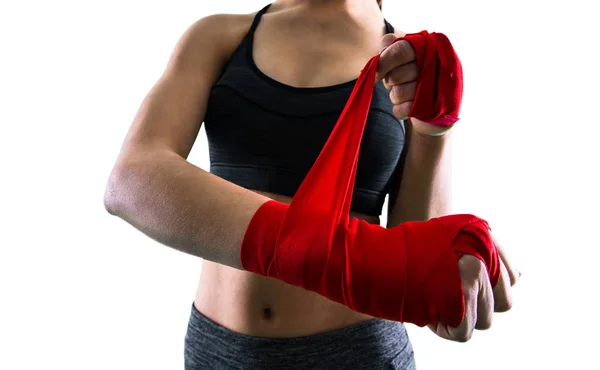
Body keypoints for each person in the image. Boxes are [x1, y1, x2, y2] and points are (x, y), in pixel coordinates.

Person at [103, 0, 520, 368]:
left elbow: (416, 264)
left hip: (355, 354)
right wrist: (325, 253)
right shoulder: (219, 35)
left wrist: (434, 131)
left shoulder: (407, 63)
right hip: (217, 351)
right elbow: (132, 178)